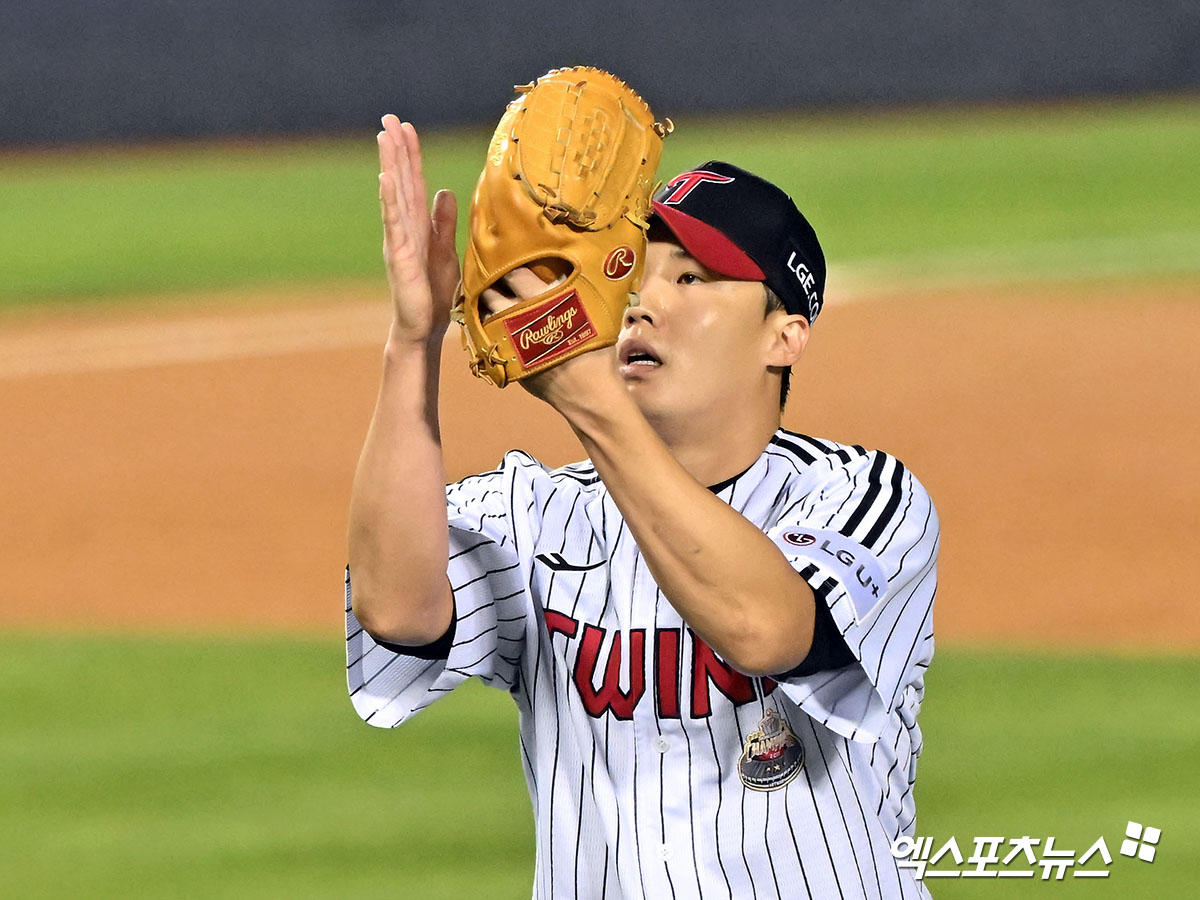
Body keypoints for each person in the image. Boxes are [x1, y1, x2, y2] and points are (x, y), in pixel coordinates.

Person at [346, 114, 940, 900]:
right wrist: (412, 344)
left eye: (691, 278)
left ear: (784, 337)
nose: (642, 303)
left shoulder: (864, 497)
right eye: (633, 275)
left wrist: (588, 399)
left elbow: (765, 629)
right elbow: (395, 609)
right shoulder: (536, 510)